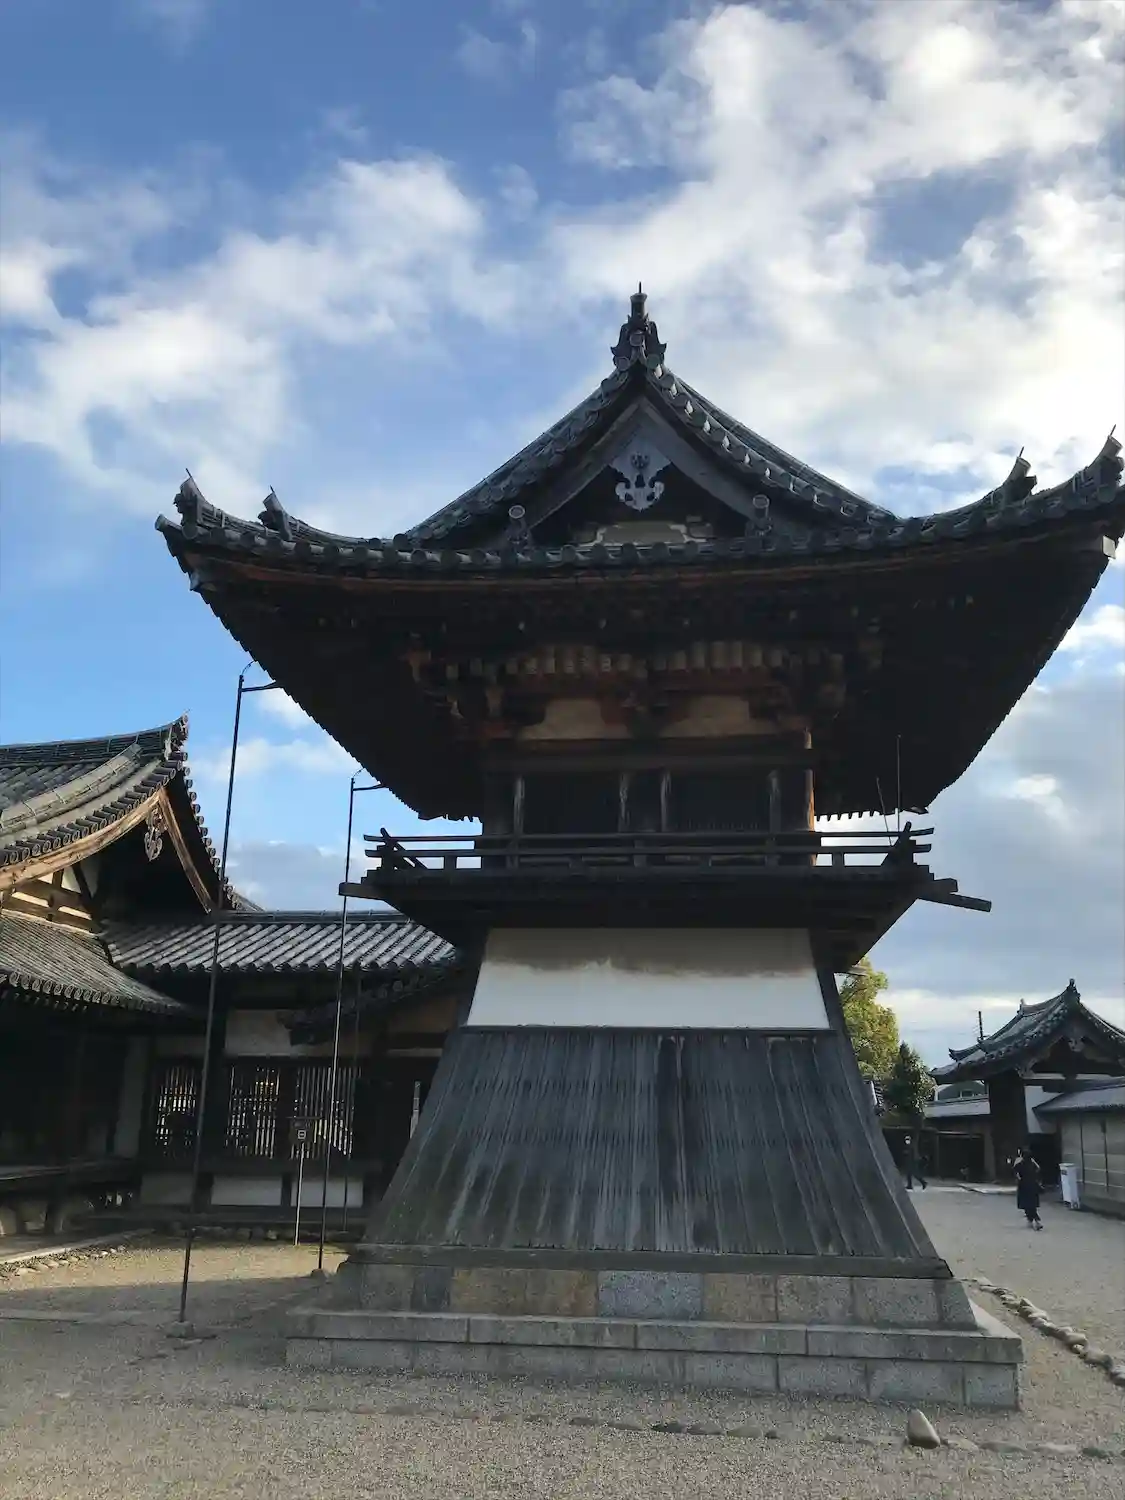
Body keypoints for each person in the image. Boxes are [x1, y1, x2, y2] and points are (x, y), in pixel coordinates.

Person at [1014, 1148, 1043, 1230]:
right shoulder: (1032, 1164)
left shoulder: (1020, 1164)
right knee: (1032, 1205)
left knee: (1027, 1205)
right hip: (1033, 1185)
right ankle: (1033, 1221)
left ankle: (1034, 1221)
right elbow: (1038, 1169)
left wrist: (1019, 1178)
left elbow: (1015, 1172)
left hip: (1023, 1186)